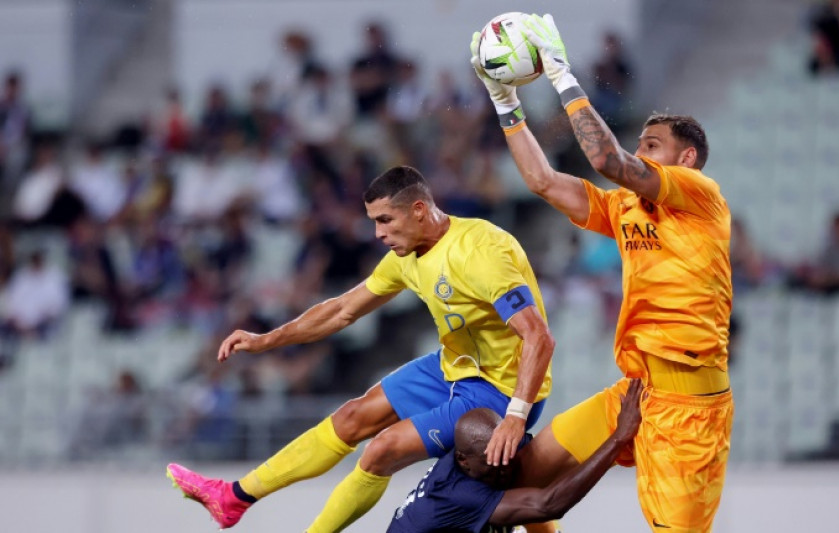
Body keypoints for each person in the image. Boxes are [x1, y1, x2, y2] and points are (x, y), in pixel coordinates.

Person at [167, 166, 555, 532]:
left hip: (502, 389)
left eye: (385, 220)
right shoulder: (406, 257)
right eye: (373, 222)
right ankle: (232, 497)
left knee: (380, 450)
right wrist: (266, 339)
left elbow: (539, 337)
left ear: (419, 210)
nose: (377, 234)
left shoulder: (480, 253)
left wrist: (516, 417)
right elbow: (341, 311)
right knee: (352, 417)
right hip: (455, 366)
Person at [471, 14, 734, 532]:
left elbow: (609, 160)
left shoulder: (702, 198)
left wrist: (562, 75)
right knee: (521, 474)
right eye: (640, 144)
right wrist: (506, 104)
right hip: (636, 391)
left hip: (691, 408)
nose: (640, 152)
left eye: (651, 145)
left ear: (687, 159)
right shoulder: (625, 208)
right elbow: (544, 182)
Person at [388, 379, 644, 532]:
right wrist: (618, 438)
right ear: (463, 461)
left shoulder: (487, 448)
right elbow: (548, 505)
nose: (505, 470)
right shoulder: (460, 494)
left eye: (507, 457)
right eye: (494, 467)